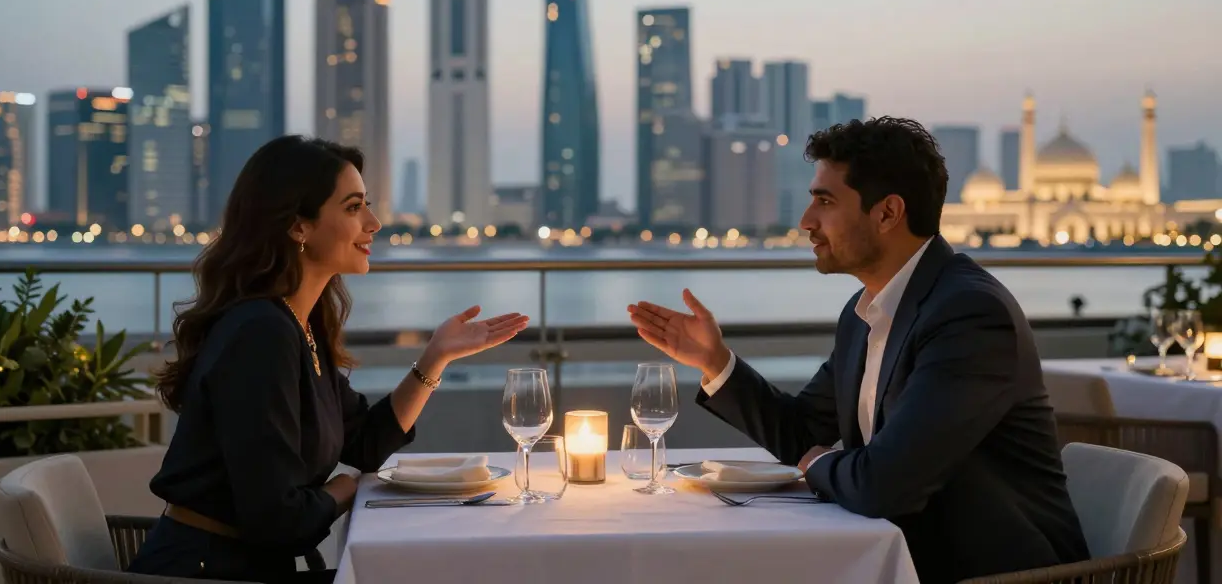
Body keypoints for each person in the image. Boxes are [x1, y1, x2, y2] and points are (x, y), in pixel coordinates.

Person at [627, 117, 1090, 583]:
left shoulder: (968, 316)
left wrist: (820, 464)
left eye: (825, 202)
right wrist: (715, 361)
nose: (806, 222)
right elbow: (803, 430)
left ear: (887, 213)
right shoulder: (866, 311)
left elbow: (885, 486)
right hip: (901, 557)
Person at [128, 136, 529, 583]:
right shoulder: (261, 335)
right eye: (354, 207)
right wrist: (346, 488)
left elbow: (366, 445)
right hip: (206, 574)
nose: (374, 223)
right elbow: (280, 521)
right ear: (299, 226)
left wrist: (436, 357)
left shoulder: (298, 327)